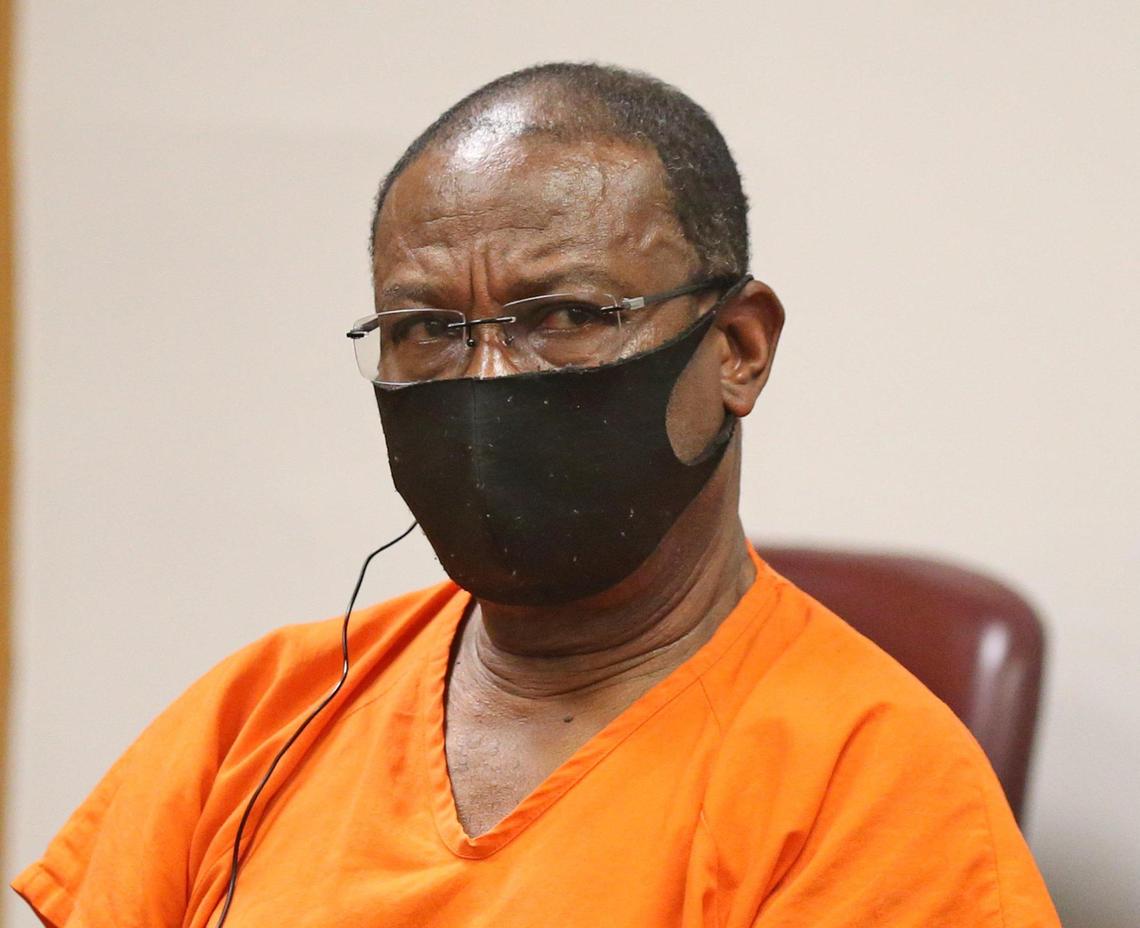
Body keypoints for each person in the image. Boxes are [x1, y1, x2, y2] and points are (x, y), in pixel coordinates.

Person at [13, 63, 1060, 927]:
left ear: (737, 349)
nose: (486, 382)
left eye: (562, 314)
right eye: (425, 328)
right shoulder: (259, 714)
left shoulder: (877, 792)